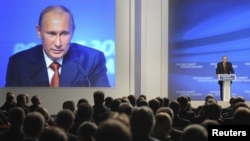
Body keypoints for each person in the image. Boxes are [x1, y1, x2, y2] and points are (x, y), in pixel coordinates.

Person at [5, 5, 110, 87]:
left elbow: (103, 101)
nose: (58, 43)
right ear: (39, 31)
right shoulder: (18, 64)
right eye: (51, 34)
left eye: (64, 34)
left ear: (73, 31)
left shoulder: (92, 60)